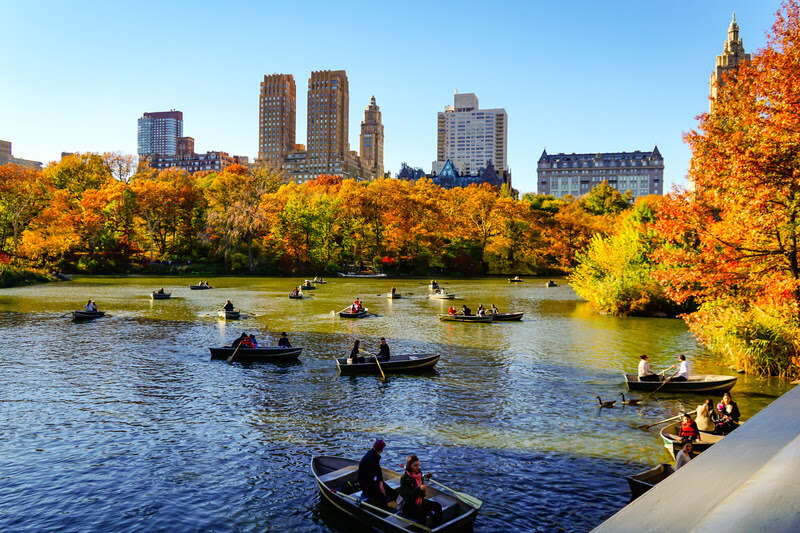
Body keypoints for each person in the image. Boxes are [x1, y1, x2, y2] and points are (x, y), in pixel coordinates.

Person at [399, 454, 443, 527]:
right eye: (415, 466)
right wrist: (419, 489)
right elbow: (405, 495)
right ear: (410, 466)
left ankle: (438, 527)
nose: (418, 467)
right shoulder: (404, 478)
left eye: (418, 465)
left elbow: (422, 494)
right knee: (425, 514)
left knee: (437, 506)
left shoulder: (419, 475)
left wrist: (424, 487)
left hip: (419, 501)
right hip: (409, 505)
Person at [358, 439, 397, 509]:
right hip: (367, 486)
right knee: (385, 495)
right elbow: (378, 480)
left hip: (365, 482)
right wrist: (383, 493)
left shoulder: (370, 454)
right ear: (381, 450)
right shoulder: (373, 460)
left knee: (390, 491)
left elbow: (377, 476)